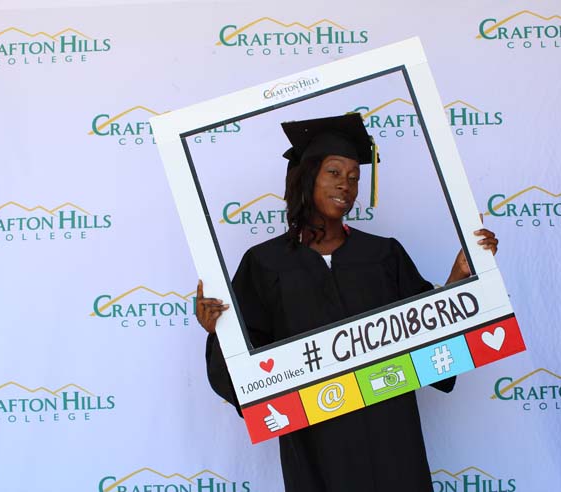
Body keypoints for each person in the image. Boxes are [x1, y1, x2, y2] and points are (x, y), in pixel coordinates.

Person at [196, 113, 498, 492]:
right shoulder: (265, 264)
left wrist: (461, 277)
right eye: (334, 173)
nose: (347, 185)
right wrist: (219, 332)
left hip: (390, 427)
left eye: (355, 177)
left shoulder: (384, 255)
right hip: (314, 435)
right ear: (308, 177)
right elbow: (246, 356)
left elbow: (430, 332)